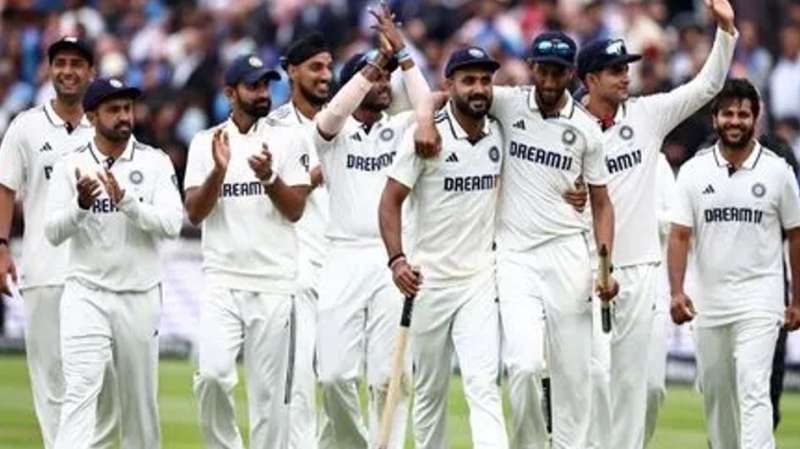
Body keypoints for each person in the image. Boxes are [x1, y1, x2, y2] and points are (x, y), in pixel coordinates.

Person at [574, 1, 738, 447]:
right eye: (614, 70)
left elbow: (707, 86)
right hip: (583, 272)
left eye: (626, 68)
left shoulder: (647, 115)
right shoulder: (565, 129)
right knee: (595, 382)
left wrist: (725, 31)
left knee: (643, 389)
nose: (625, 76)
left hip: (641, 271)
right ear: (590, 79)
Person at [312, 6, 431, 448]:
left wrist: (402, 55)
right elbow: (331, 116)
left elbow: (426, 105)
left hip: (392, 260)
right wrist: (377, 61)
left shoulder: (400, 127)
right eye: (376, 78)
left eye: (387, 79)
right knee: (334, 375)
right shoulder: (331, 133)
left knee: (389, 375)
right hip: (342, 255)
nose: (384, 84)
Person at [379, 47, 508, 449]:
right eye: (468, 80)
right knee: (430, 393)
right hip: (428, 282)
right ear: (449, 85)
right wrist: (397, 260)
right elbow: (389, 202)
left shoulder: (499, 131)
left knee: (483, 385)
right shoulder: (426, 137)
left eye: (485, 80)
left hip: (478, 280)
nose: (479, 89)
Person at [44, 77, 183, 449]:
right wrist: (80, 207)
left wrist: (128, 203)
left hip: (139, 296)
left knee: (139, 407)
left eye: (127, 108)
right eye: (114, 110)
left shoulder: (155, 162)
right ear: (91, 116)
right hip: (86, 293)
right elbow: (52, 233)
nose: (124, 116)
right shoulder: (70, 165)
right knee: (80, 392)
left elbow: (172, 224)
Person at [185, 54, 311, 449]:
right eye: (252, 86)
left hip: (274, 283)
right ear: (230, 93)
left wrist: (269, 177)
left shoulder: (289, 138)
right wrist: (218, 171)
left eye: (265, 86)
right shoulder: (206, 142)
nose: (262, 94)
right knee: (211, 377)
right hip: (222, 280)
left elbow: (295, 209)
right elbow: (194, 213)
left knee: (269, 398)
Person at [668, 78, 800, 449]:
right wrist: (677, 292)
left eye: (743, 114)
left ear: (756, 119)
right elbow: (679, 235)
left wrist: (796, 300)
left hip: (761, 298)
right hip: (709, 302)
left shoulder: (777, 170)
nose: (735, 121)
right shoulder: (694, 171)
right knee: (717, 393)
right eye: (728, 114)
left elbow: (796, 234)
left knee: (754, 386)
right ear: (715, 119)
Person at [0, 37, 117, 449]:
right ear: (50, 69)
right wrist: (1, 246)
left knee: (103, 381)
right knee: (51, 381)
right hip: (44, 270)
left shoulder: (107, 125)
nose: (67, 71)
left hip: (99, 275)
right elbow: (5, 187)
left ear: (91, 72)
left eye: (76, 64)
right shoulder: (26, 126)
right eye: (60, 63)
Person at [269, 32, 334, 449]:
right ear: (292, 71)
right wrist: (308, 179)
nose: (325, 75)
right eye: (315, 67)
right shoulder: (272, 128)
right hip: (294, 265)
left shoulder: (345, 122)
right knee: (299, 380)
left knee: (340, 378)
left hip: (343, 263)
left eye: (329, 67)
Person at [643, 153, 676, 446]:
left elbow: (675, 221)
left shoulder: (659, 162)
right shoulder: (595, 151)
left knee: (653, 387)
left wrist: (636, 215)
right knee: (600, 382)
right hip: (600, 284)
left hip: (653, 285)